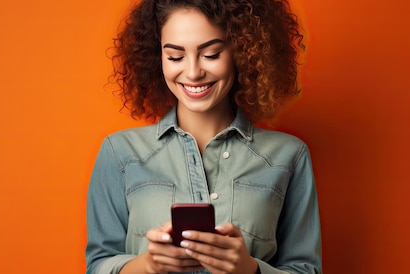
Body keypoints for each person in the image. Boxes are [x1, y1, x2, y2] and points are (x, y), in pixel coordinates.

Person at [85, 0, 322, 273]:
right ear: (157, 57)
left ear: (241, 52)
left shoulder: (288, 156)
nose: (193, 72)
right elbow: (98, 265)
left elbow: (306, 268)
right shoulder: (120, 152)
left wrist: (249, 269)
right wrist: (147, 264)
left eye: (211, 54)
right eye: (175, 57)